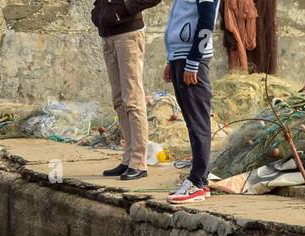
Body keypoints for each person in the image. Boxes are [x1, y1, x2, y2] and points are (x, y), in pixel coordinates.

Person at [91, 0, 163, 181]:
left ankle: (139, 163)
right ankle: (128, 158)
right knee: (118, 99)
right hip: (109, 36)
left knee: (133, 99)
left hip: (128, 35)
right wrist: (98, 15)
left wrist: (123, 9)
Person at [165, 0, 223, 203]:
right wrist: (170, 59)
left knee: (198, 122)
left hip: (192, 59)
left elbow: (206, 21)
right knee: (192, 121)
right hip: (179, 57)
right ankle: (199, 181)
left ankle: (198, 182)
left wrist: (193, 61)